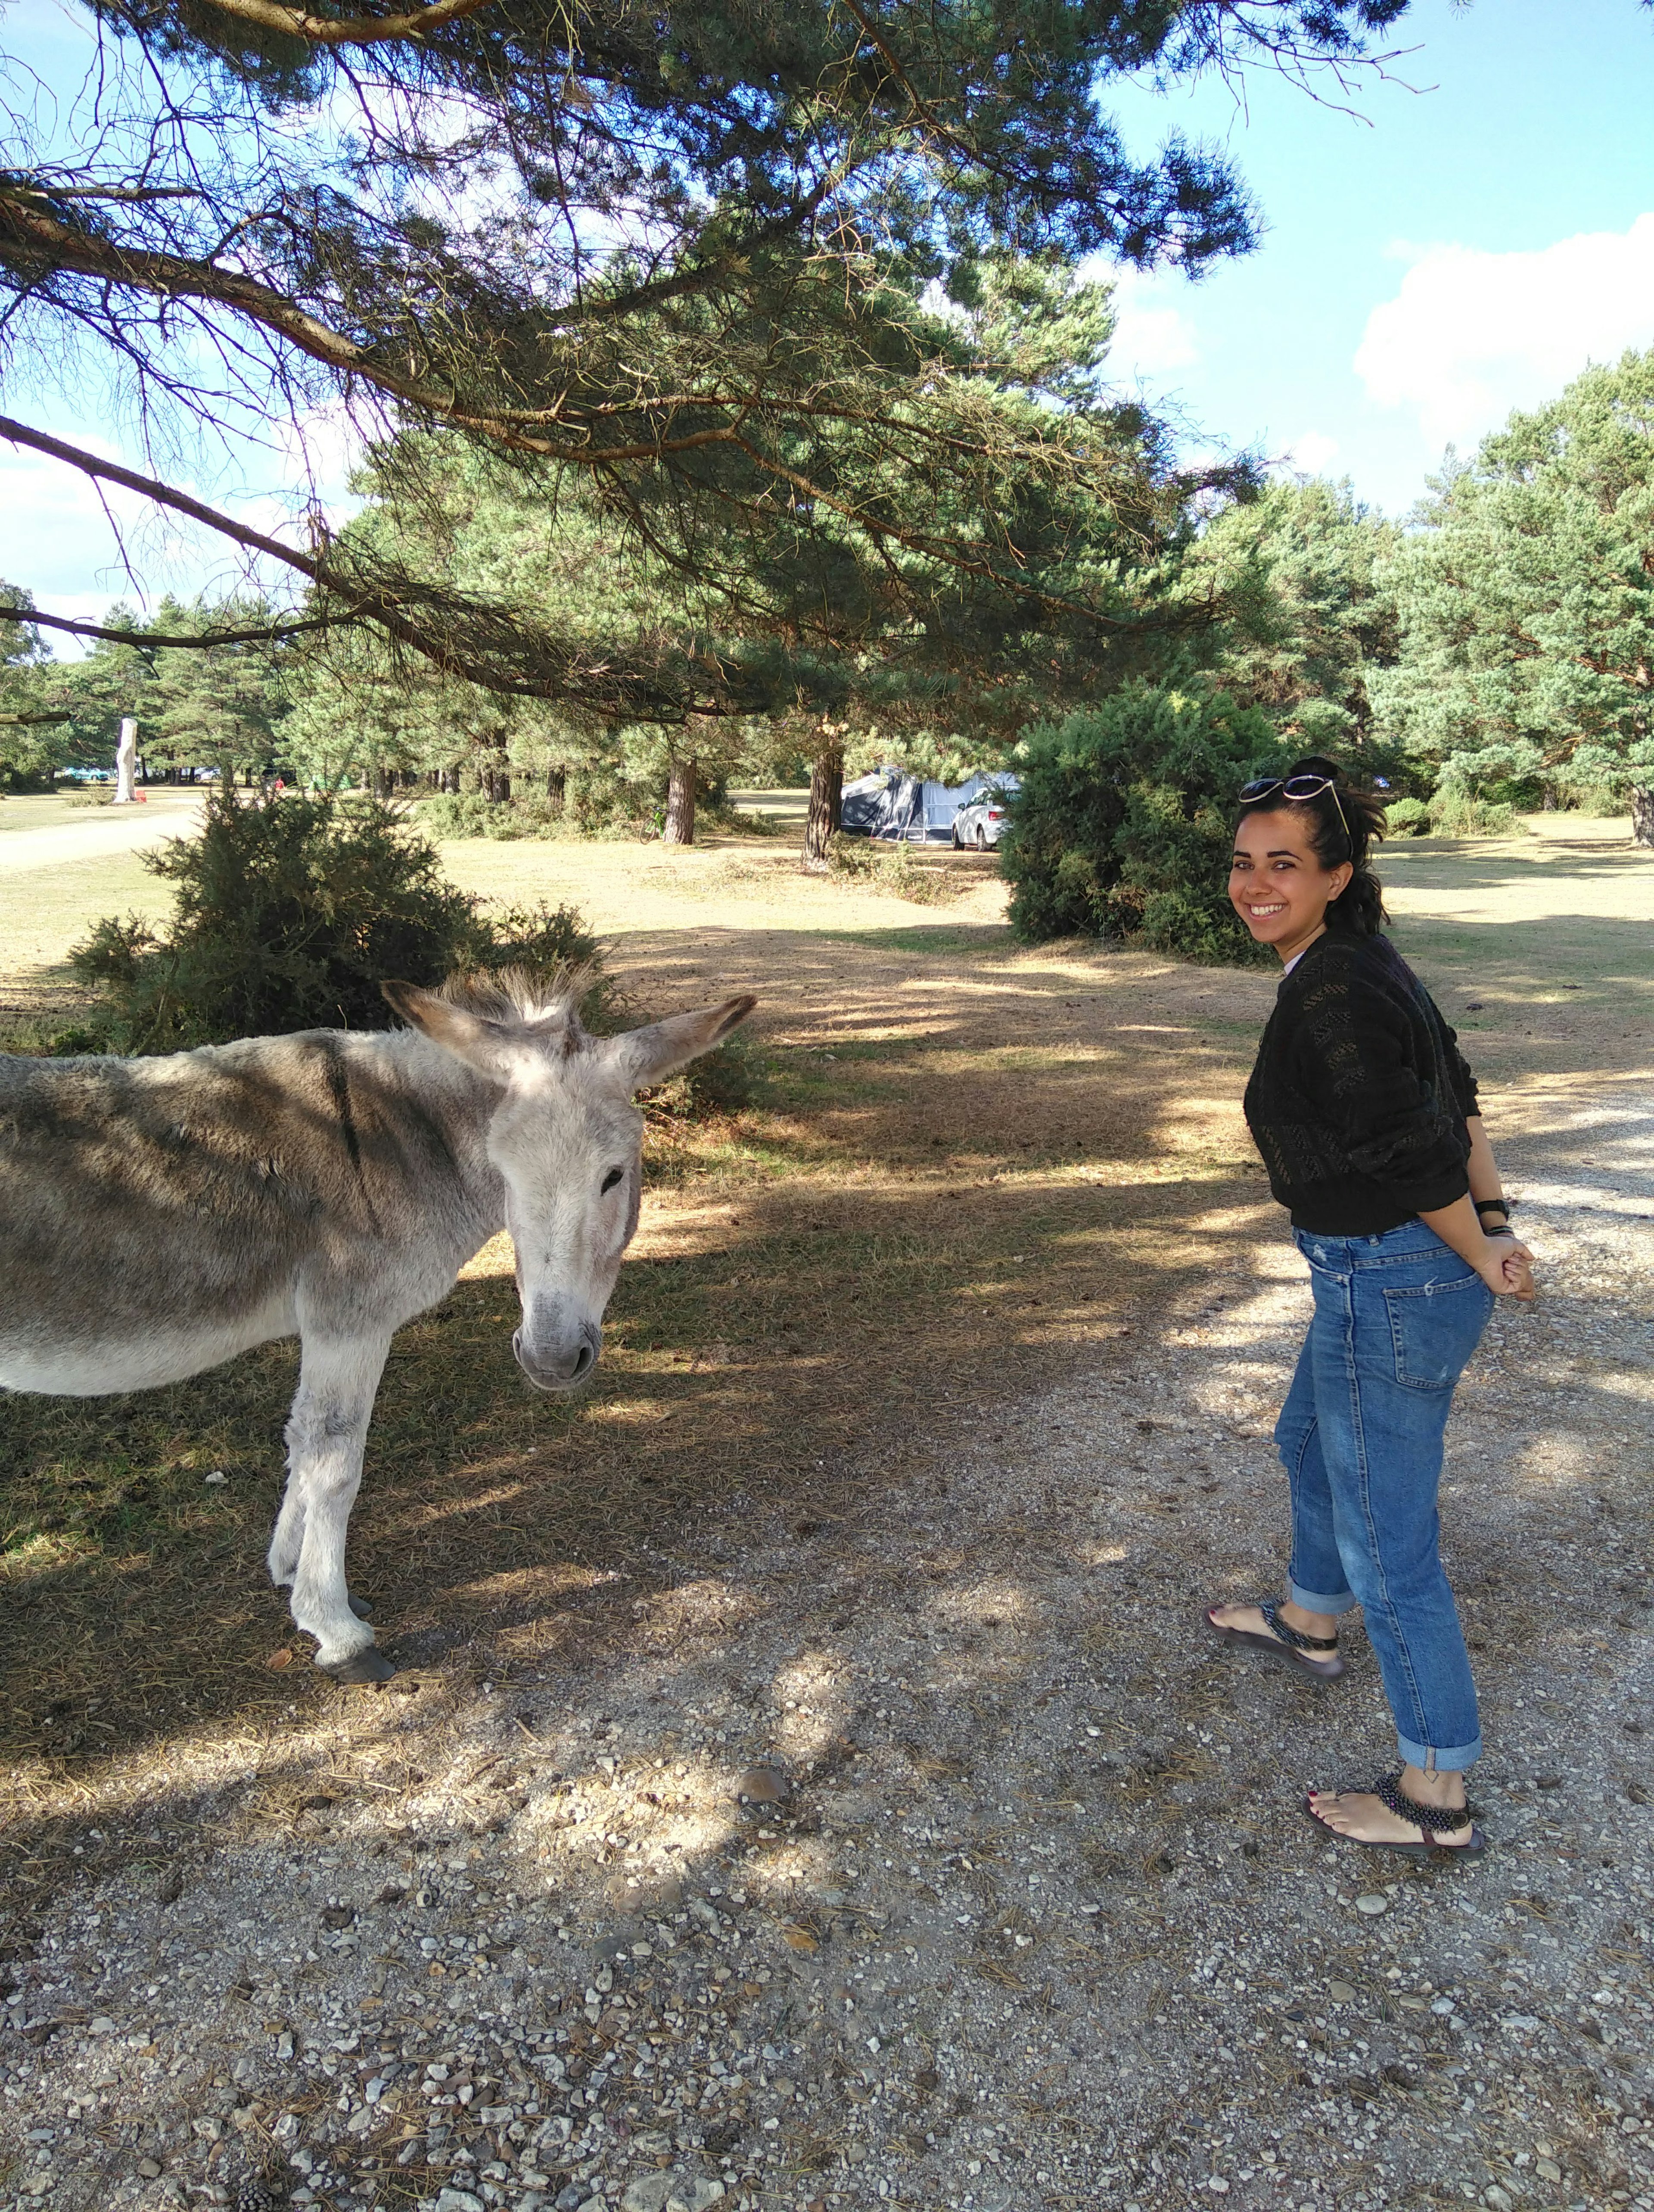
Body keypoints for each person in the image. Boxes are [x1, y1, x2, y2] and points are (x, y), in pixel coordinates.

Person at [1207, 757, 1534, 1857]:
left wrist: (1481, 1249)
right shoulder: (1353, 961)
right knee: (1305, 1437)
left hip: (1388, 1276)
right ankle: (1309, 1617)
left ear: (1337, 873)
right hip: (1389, 1270)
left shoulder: (1337, 987)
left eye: (1285, 864)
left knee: (1389, 1536)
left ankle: (1434, 1791)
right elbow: (1460, 1091)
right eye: (1246, 862)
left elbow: (1408, 1145)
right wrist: (1490, 1222)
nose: (1257, 883)